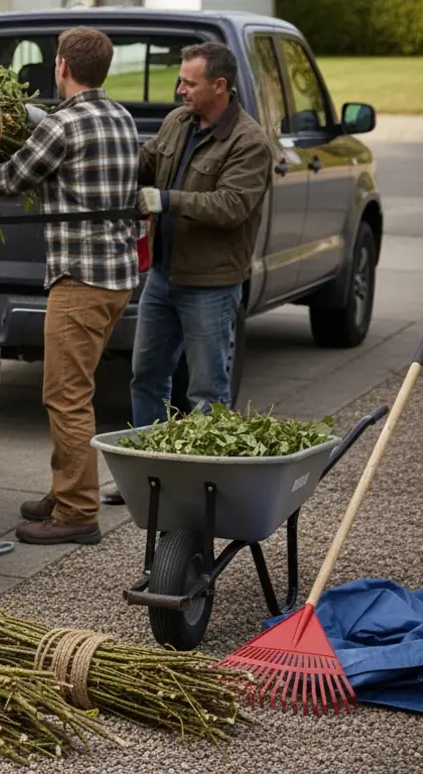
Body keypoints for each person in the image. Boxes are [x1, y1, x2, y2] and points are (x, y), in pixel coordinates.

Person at [0, 26, 141, 545]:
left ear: (61, 67)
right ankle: (64, 491)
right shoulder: (120, 118)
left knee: (65, 396)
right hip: (117, 279)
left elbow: (12, 179)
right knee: (72, 391)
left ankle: (78, 513)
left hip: (81, 281)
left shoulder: (65, 126)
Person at [101, 42, 275, 506]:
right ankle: (144, 476)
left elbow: (232, 206)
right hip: (162, 277)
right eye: (180, 80)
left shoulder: (249, 142)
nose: (180, 90)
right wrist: (108, 154)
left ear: (219, 86)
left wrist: (166, 200)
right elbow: (146, 164)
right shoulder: (179, 122)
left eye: (189, 83)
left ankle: (202, 489)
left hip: (211, 286)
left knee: (206, 391)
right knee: (146, 376)